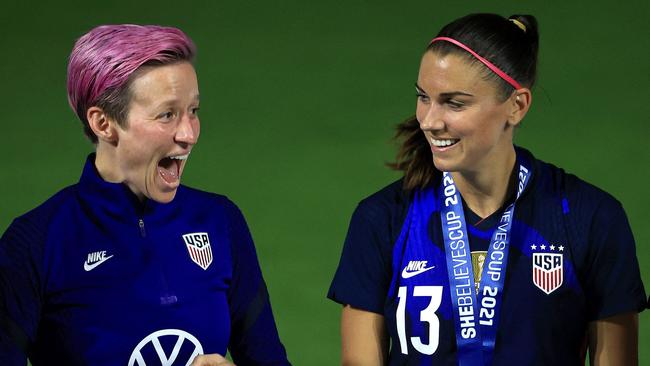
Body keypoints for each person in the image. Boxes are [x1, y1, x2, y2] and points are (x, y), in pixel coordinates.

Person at [328, 13, 647, 365]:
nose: (430, 121)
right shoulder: (383, 219)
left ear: (517, 105)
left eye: (454, 102)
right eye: (423, 97)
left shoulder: (590, 218)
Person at [0, 24, 290, 366]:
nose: (189, 134)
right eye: (167, 115)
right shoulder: (35, 243)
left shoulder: (220, 221)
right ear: (103, 123)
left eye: (193, 111)